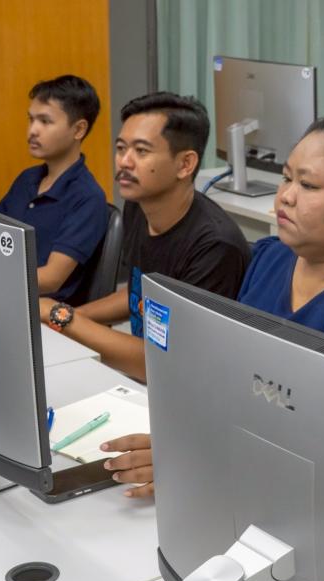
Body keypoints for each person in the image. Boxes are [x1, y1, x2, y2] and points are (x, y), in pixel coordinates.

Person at [101, 115, 324, 497]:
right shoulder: (271, 258)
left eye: (308, 185)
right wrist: (186, 438)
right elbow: (236, 378)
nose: (285, 195)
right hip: (256, 475)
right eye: (286, 178)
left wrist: (202, 457)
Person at [39, 92, 251, 381]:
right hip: (144, 375)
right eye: (121, 148)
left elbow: (170, 364)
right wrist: (69, 315)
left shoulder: (215, 246)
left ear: (185, 164)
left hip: (187, 386)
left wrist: (61, 317)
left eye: (141, 151)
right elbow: (136, 293)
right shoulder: (138, 205)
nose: (124, 162)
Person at [0, 75, 109, 303]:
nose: (33, 130)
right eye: (31, 119)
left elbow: (51, 279)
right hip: (7, 295)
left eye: (45, 121)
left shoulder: (88, 197)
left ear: (78, 130)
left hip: (44, 311)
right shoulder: (27, 179)